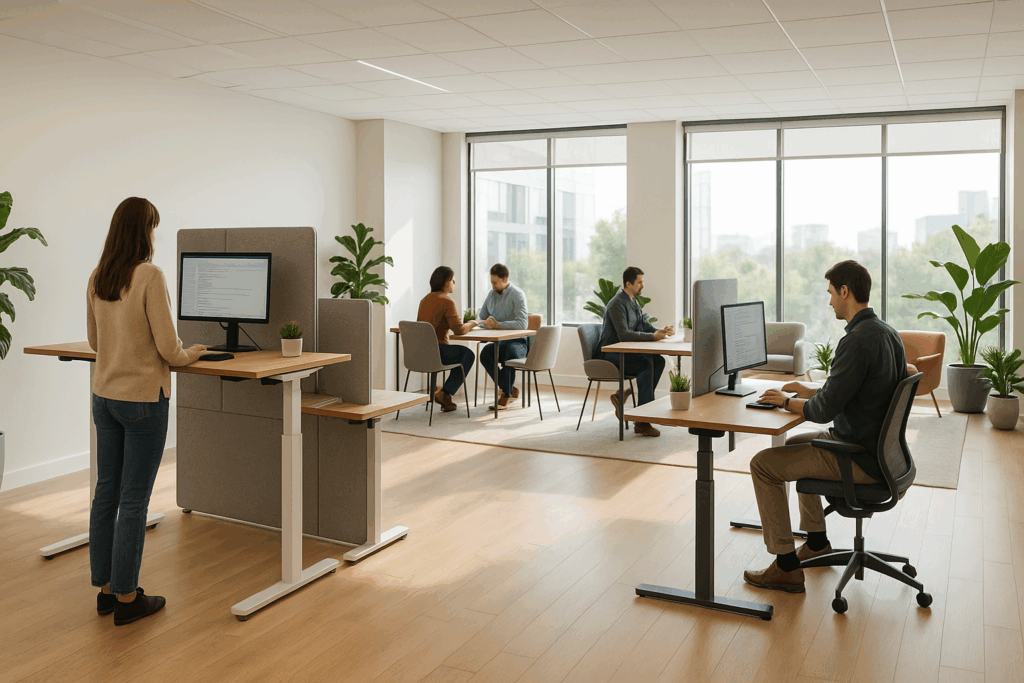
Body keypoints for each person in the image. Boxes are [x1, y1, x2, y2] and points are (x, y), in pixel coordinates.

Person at [743, 260, 907, 593]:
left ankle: (786, 567)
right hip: (881, 452)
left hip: (857, 456)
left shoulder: (857, 341)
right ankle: (817, 542)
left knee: (762, 465)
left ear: (845, 291)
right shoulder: (887, 333)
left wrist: (786, 402)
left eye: (831, 293)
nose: (830, 300)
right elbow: (852, 390)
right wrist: (809, 390)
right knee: (794, 445)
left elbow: (822, 411)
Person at [87, 197, 208, 625]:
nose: (155, 235)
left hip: (105, 398)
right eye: (153, 227)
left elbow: (96, 344)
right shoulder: (150, 275)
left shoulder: (99, 277)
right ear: (143, 231)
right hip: (142, 402)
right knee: (134, 499)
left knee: (107, 492)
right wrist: (192, 353)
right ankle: (126, 598)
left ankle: (104, 589)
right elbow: (169, 351)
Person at [599, 266, 674, 437]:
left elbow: (643, 325)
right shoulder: (617, 304)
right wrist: (653, 337)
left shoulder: (632, 301)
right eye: (639, 282)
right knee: (646, 365)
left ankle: (636, 406)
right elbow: (624, 334)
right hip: (611, 354)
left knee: (658, 361)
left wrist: (659, 331)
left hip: (626, 353)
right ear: (628, 283)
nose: (642, 286)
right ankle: (642, 421)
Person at [417, 266, 477, 412]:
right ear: (445, 282)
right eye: (452, 279)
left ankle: (445, 395)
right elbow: (459, 330)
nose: (454, 282)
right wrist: (472, 323)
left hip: (419, 354)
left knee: (461, 353)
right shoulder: (447, 301)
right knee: (467, 355)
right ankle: (445, 393)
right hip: (437, 353)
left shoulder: (424, 300)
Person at [477, 263, 529, 410]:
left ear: (505, 278)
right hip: (499, 342)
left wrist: (498, 325)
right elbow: (481, 318)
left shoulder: (518, 295)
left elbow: (522, 324)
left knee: (509, 353)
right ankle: (509, 388)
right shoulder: (491, 295)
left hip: (518, 344)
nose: (492, 286)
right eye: (491, 282)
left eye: (495, 282)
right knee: (485, 354)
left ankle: (505, 394)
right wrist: (485, 323)